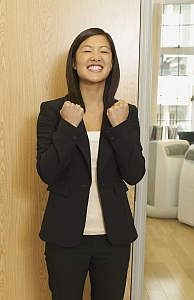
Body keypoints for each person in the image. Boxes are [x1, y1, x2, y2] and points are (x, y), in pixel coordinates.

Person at [36, 28, 145, 300]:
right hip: (64, 235)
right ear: (74, 62)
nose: (96, 56)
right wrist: (68, 126)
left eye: (104, 51)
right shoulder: (52, 111)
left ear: (111, 64)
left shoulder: (125, 113)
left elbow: (134, 173)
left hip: (114, 237)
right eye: (87, 50)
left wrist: (120, 128)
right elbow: (47, 172)